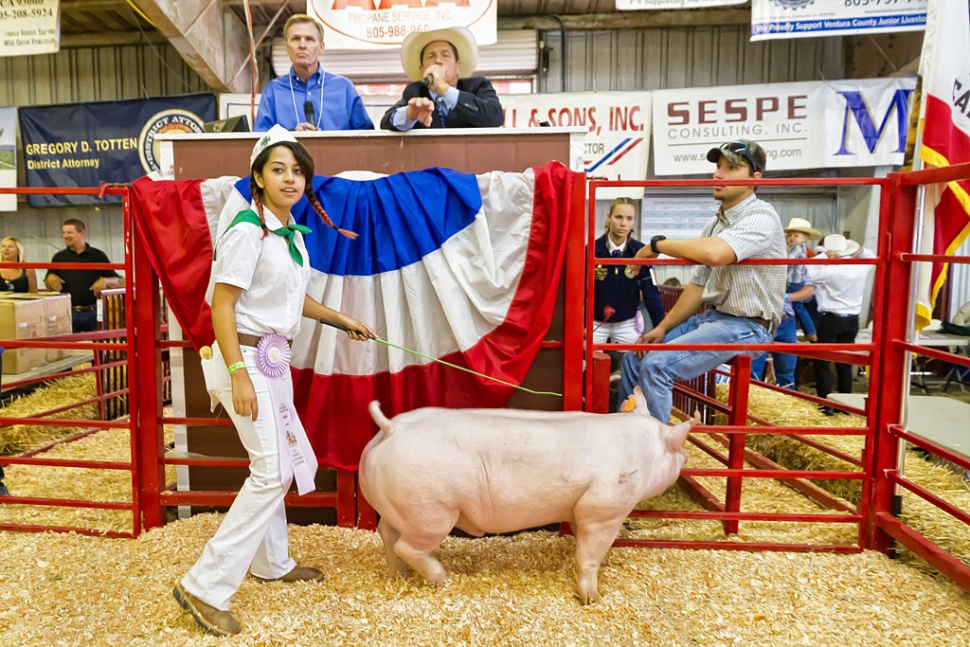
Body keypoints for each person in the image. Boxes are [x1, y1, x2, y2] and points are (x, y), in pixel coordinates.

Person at [172, 125, 376, 637]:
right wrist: (238, 372)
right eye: (278, 169)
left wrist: (339, 318)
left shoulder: (288, 235)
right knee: (270, 472)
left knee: (278, 462)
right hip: (244, 358)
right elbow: (222, 304)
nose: (290, 178)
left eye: (297, 170)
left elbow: (289, 301)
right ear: (258, 179)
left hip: (271, 358)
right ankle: (204, 585)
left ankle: (272, 563)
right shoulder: (245, 229)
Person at [617, 139, 786, 422]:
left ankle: (656, 455)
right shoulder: (716, 222)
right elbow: (698, 284)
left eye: (731, 168)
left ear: (754, 179)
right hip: (715, 319)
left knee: (657, 365)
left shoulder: (761, 217)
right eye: (718, 167)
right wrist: (661, 328)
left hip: (749, 325)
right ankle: (626, 435)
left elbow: (715, 254)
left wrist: (658, 245)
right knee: (635, 358)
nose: (718, 174)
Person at [254, 14, 373, 132]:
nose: (302, 45)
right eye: (295, 39)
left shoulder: (344, 88)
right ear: (287, 47)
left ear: (321, 47)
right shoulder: (273, 91)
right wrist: (291, 134)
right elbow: (261, 140)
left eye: (309, 39)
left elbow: (368, 137)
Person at [802, 233, 876, 414]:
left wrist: (823, 256)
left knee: (823, 361)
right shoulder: (859, 268)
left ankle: (826, 403)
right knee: (845, 361)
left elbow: (806, 271)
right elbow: (872, 256)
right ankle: (846, 404)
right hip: (852, 320)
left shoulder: (827, 271)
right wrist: (859, 249)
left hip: (830, 319)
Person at [379, 27, 504, 131]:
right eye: (431, 56)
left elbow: (495, 117)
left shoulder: (477, 86)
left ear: (457, 66)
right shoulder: (415, 91)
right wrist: (410, 114)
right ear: (422, 69)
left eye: (445, 55)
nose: (438, 61)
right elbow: (386, 123)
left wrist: (443, 88)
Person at [750, 217, 821, 388]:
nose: (790, 238)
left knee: (785, 368)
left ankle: (783, 397)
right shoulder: (771, 256)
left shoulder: (799, 261)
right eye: (789, 235)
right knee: (756, 368)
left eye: (795, 235)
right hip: (764, 317)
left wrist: (787, 297)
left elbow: (809, 289)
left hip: (782, 317)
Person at [593, 197, 664, 345]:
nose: (623, 223)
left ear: (634, 220)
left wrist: (661, 328)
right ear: (609, 217)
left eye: (629, 218)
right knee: (584, 364)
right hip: (594, 322)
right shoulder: (591, 250)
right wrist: (581, 325)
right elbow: (578, 291)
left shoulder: (641, 251)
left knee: (635, 363)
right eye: (618, 217)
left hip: (627, 323)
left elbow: (651, 292)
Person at [44, 219, 122, 332]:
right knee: (69, 347)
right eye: (63, 233)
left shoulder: (98, 256)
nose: (65, 236)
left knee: (99, 347)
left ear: (81, 233)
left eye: (69, 232)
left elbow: (117, 280)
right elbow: (48, 285)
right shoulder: (58, 258)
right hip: (68, 312)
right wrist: (49, 277)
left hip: (94, 312)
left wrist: (105, 281)